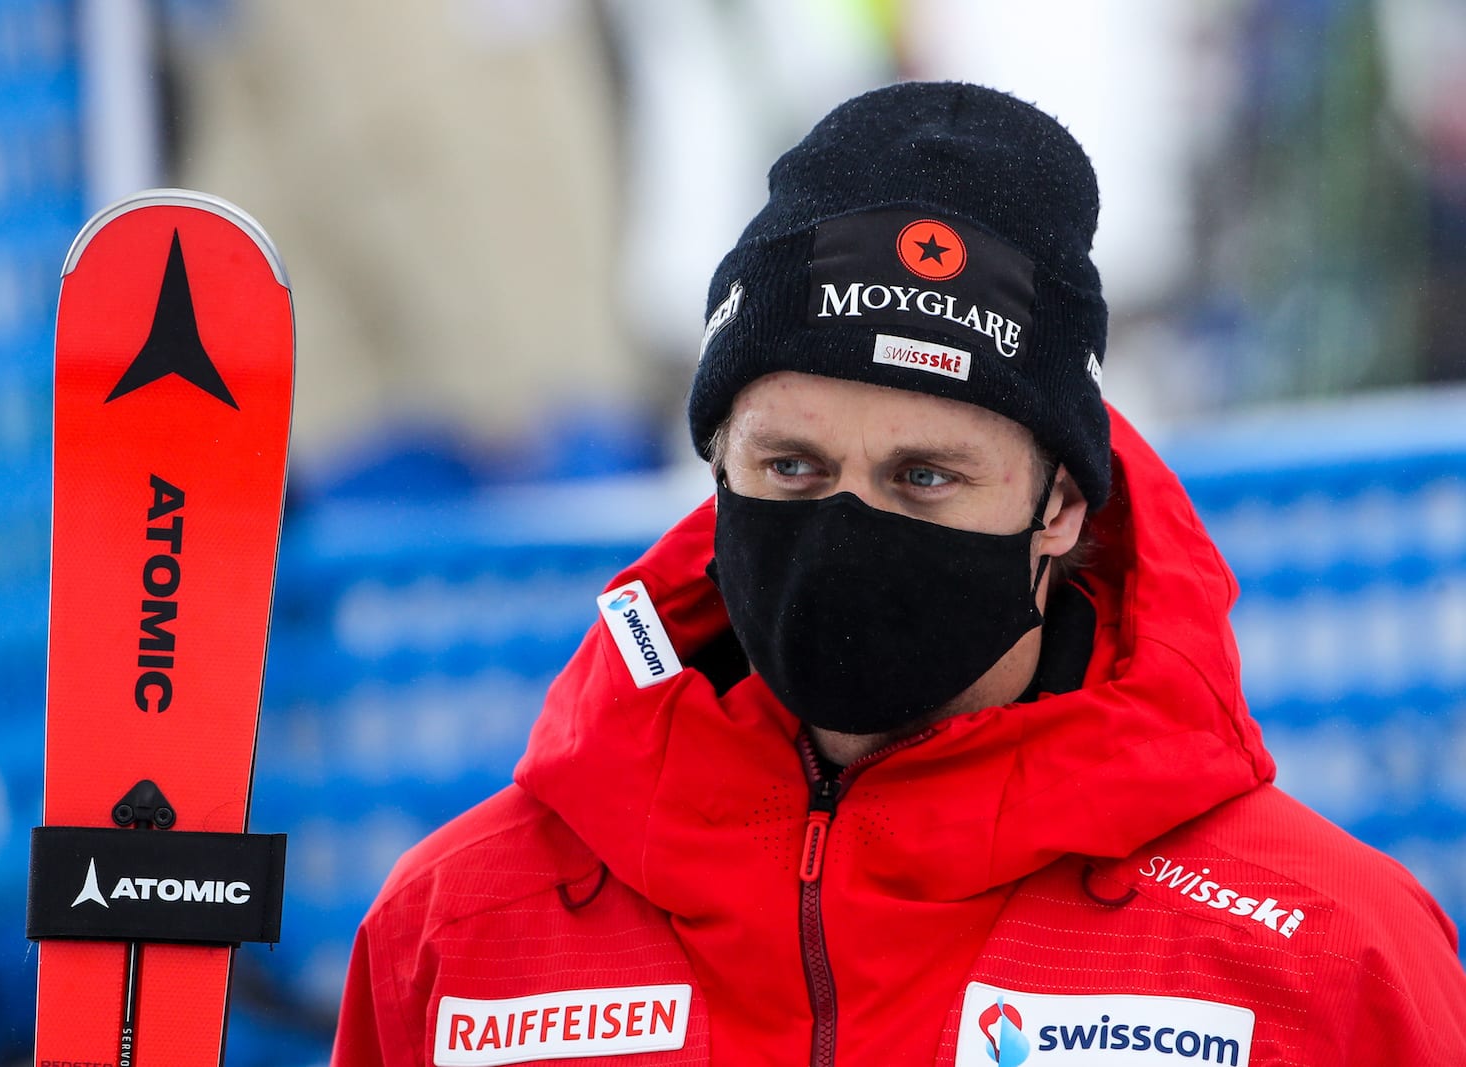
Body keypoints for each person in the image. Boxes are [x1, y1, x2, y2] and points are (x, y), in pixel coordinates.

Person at [330, 82, 1466, 1065]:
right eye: (792, 466)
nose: (844, 529)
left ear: (1061, 506)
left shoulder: (1317, 954)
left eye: (925, 476)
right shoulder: (461, 927)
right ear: (716, 467)